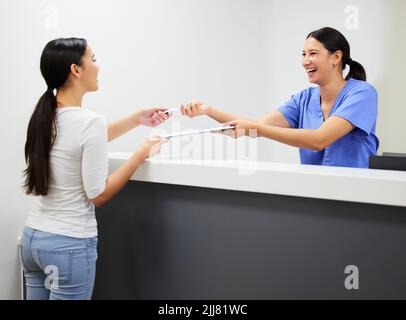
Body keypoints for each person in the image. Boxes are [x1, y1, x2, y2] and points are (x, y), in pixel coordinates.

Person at [20, 38, 169, 300]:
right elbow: (98, 194)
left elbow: (83, 141)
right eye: (94, 59)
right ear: (76, 70)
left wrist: (137, 119)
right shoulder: (89, 123)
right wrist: (140, 154)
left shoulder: (44, 116)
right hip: (68, 245)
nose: (98, 67)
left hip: (34, 241)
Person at [180, 27, 379, 168]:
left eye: (313, 53)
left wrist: (259, 129)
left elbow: (320, 139)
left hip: (354, 194)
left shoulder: (362, 94)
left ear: (336, 57)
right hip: (315, 194)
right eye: (303, 54)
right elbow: (256, 127)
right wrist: (208, 111)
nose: (305, 61)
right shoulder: (304, 99)